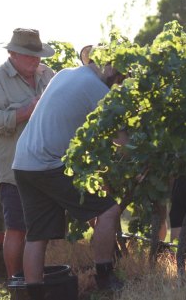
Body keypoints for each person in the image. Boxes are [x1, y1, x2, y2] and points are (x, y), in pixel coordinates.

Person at [12, 45, 125, 297]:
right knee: (108, 210)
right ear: (108, 69)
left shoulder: (64, 74)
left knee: (37, 234)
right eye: (119, 78)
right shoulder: (97, 90)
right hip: (48, 165)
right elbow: (121, 139)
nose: (118, 84)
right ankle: (105, 278)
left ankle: (34, 294)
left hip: (23, 162)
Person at [0, 28, 55, 279]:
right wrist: (26, 111)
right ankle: (15, 283)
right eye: (29, 56)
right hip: (14, 169)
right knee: (18, 228)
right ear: (12, 53)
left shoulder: (47, 76)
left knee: (41, 229)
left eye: (38, 56)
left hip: (45, 165)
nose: (36, 60)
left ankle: (33, 280)